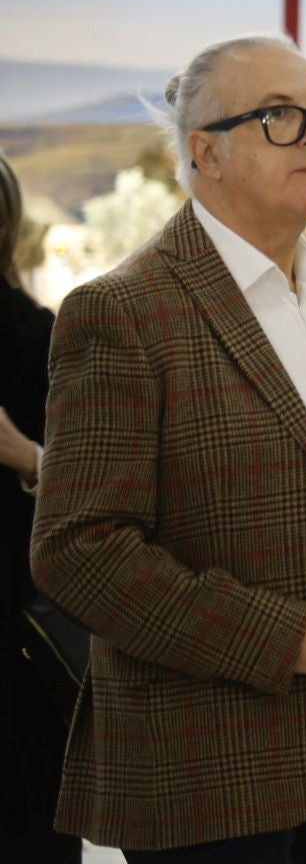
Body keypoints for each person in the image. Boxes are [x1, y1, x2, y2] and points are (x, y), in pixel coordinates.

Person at [29, 34, 306, 861]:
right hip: (205, 769)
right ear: (207, 153)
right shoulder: (122, 312)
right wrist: (285, 635)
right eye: (280, 116)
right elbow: (77, 552)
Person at [1, 152, 80, 862]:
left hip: (22, 627)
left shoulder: (35, 331)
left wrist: (22, 452)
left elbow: (90, 489)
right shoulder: (35, 327)